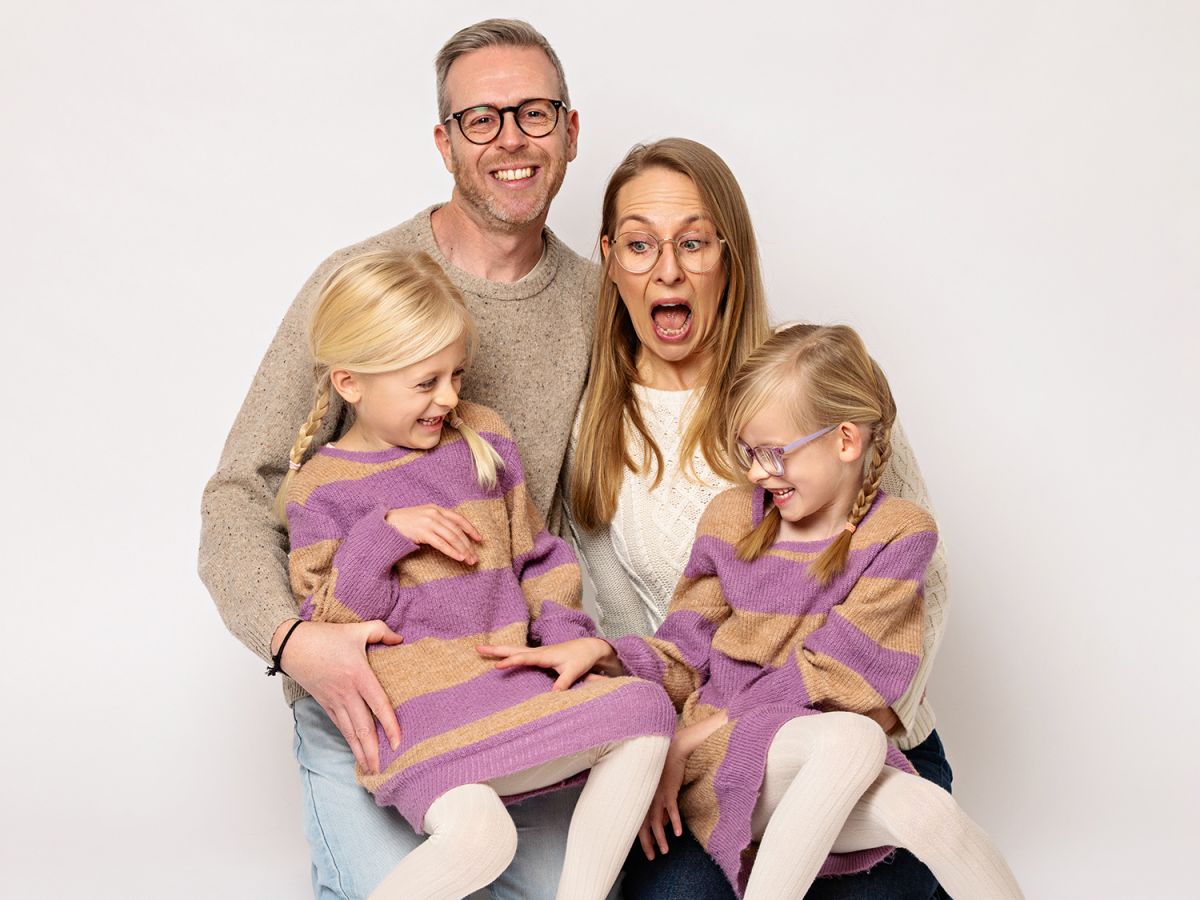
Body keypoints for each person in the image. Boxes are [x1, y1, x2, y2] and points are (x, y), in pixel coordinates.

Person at [198, 19, 600, 899]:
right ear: (445, 143)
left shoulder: (598, 304)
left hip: (506, 682)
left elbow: (588, 514)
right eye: (481, 119)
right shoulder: (364, 281)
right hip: (372, 687)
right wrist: (294, 642)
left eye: (534, 113)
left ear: (570, 132)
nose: (511, 140)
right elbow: (239, 492)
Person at [499, 324, 1024, 899]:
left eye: (772, 453)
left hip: (791, 751)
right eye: (748, 453)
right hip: (726, 760)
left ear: (846, 441)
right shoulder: (732, 518)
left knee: (930, 813)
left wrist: (698, 733)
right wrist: (606, 652)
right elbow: (685, 653)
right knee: (853, 738)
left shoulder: (899, 532)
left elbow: (844, 678)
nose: (755, 473)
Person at [563, 138, 955, 899]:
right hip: (703, 765)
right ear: (609, 259)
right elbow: (633, 624)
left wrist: (855, 720)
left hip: (867, 733)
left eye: (693, 243)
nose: (667, 271)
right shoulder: (595, 426)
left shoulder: (815, 382)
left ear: (730, 255)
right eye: (640, 245)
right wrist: (662, 733)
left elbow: (926, 586)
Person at [277, 249, 672, 900]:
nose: (450, 397)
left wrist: (567, 639)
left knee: (645, 708)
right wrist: (385, 533)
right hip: (415, 719)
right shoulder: (320, 490)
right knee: (483, 839)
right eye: (426, 383)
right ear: (350, 383)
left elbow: (538, 557)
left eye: (456, 375)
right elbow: (333, 621)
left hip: (511, 689)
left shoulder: (482, 437)